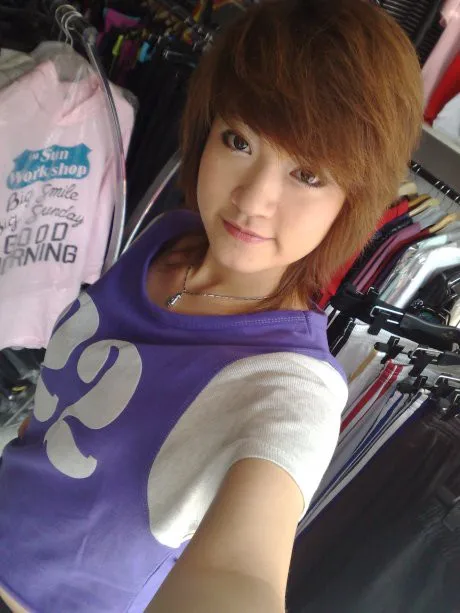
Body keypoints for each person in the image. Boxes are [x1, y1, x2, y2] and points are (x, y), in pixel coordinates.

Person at [0, 0, 423, 611]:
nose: (253, 198)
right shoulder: (165, 239)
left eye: (307, 174)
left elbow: (241, 575)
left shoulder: (289, 385)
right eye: (238, 140)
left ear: (352, 198)